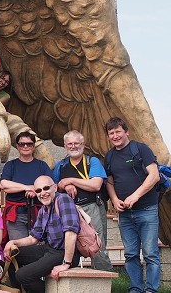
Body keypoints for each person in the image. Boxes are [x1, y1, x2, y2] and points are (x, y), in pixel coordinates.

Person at [104, 117, 161, 293]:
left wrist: (135, 196)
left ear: (126, 132)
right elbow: (110, 182)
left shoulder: (140, 149)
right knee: (131, 254)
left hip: (147, 209)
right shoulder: (110, 156)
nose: (115, 135)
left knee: (151, 253)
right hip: (125, 214)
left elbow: (154, 175)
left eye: (118, 131)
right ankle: (136, 288)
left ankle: (151, 290)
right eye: (111, 133)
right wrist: (114, 199)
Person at [3, 175, 80, 293]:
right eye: (38, 190)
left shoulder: (63, 200)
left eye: (46, 188)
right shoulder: (44, 209)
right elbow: (34, 238)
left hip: (64, 253)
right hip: (49, 249)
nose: (42, 193)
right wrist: (13, 242)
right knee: (13, 255)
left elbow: (71, 233)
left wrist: (66, 263)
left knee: (23, 275)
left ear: (54, 187)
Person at [52, 130, 113, 270]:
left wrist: (70, 180)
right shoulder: (60, 166)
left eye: (76, 143)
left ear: (83, 145)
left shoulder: (92, 161)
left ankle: (103, 284)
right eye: (70, 144)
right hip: (69, 211)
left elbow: (96, 185)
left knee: (97, 246)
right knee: (69, 245)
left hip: (92, 208)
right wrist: (66, 185)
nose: (73, 146)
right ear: (65, 146)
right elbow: (55, 187)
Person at [0, 131, 52, 241]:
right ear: (17, 147)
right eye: (22, 144)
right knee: (19, 248)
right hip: (16, 216)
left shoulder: (42, 165)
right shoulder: (11, 165)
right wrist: (27, 187)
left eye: (29, 144)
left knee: (41, 247)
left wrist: (35, 192)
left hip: (40, 214)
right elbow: (4, 185)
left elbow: (50, 185)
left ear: (33, 147)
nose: (25, 146)